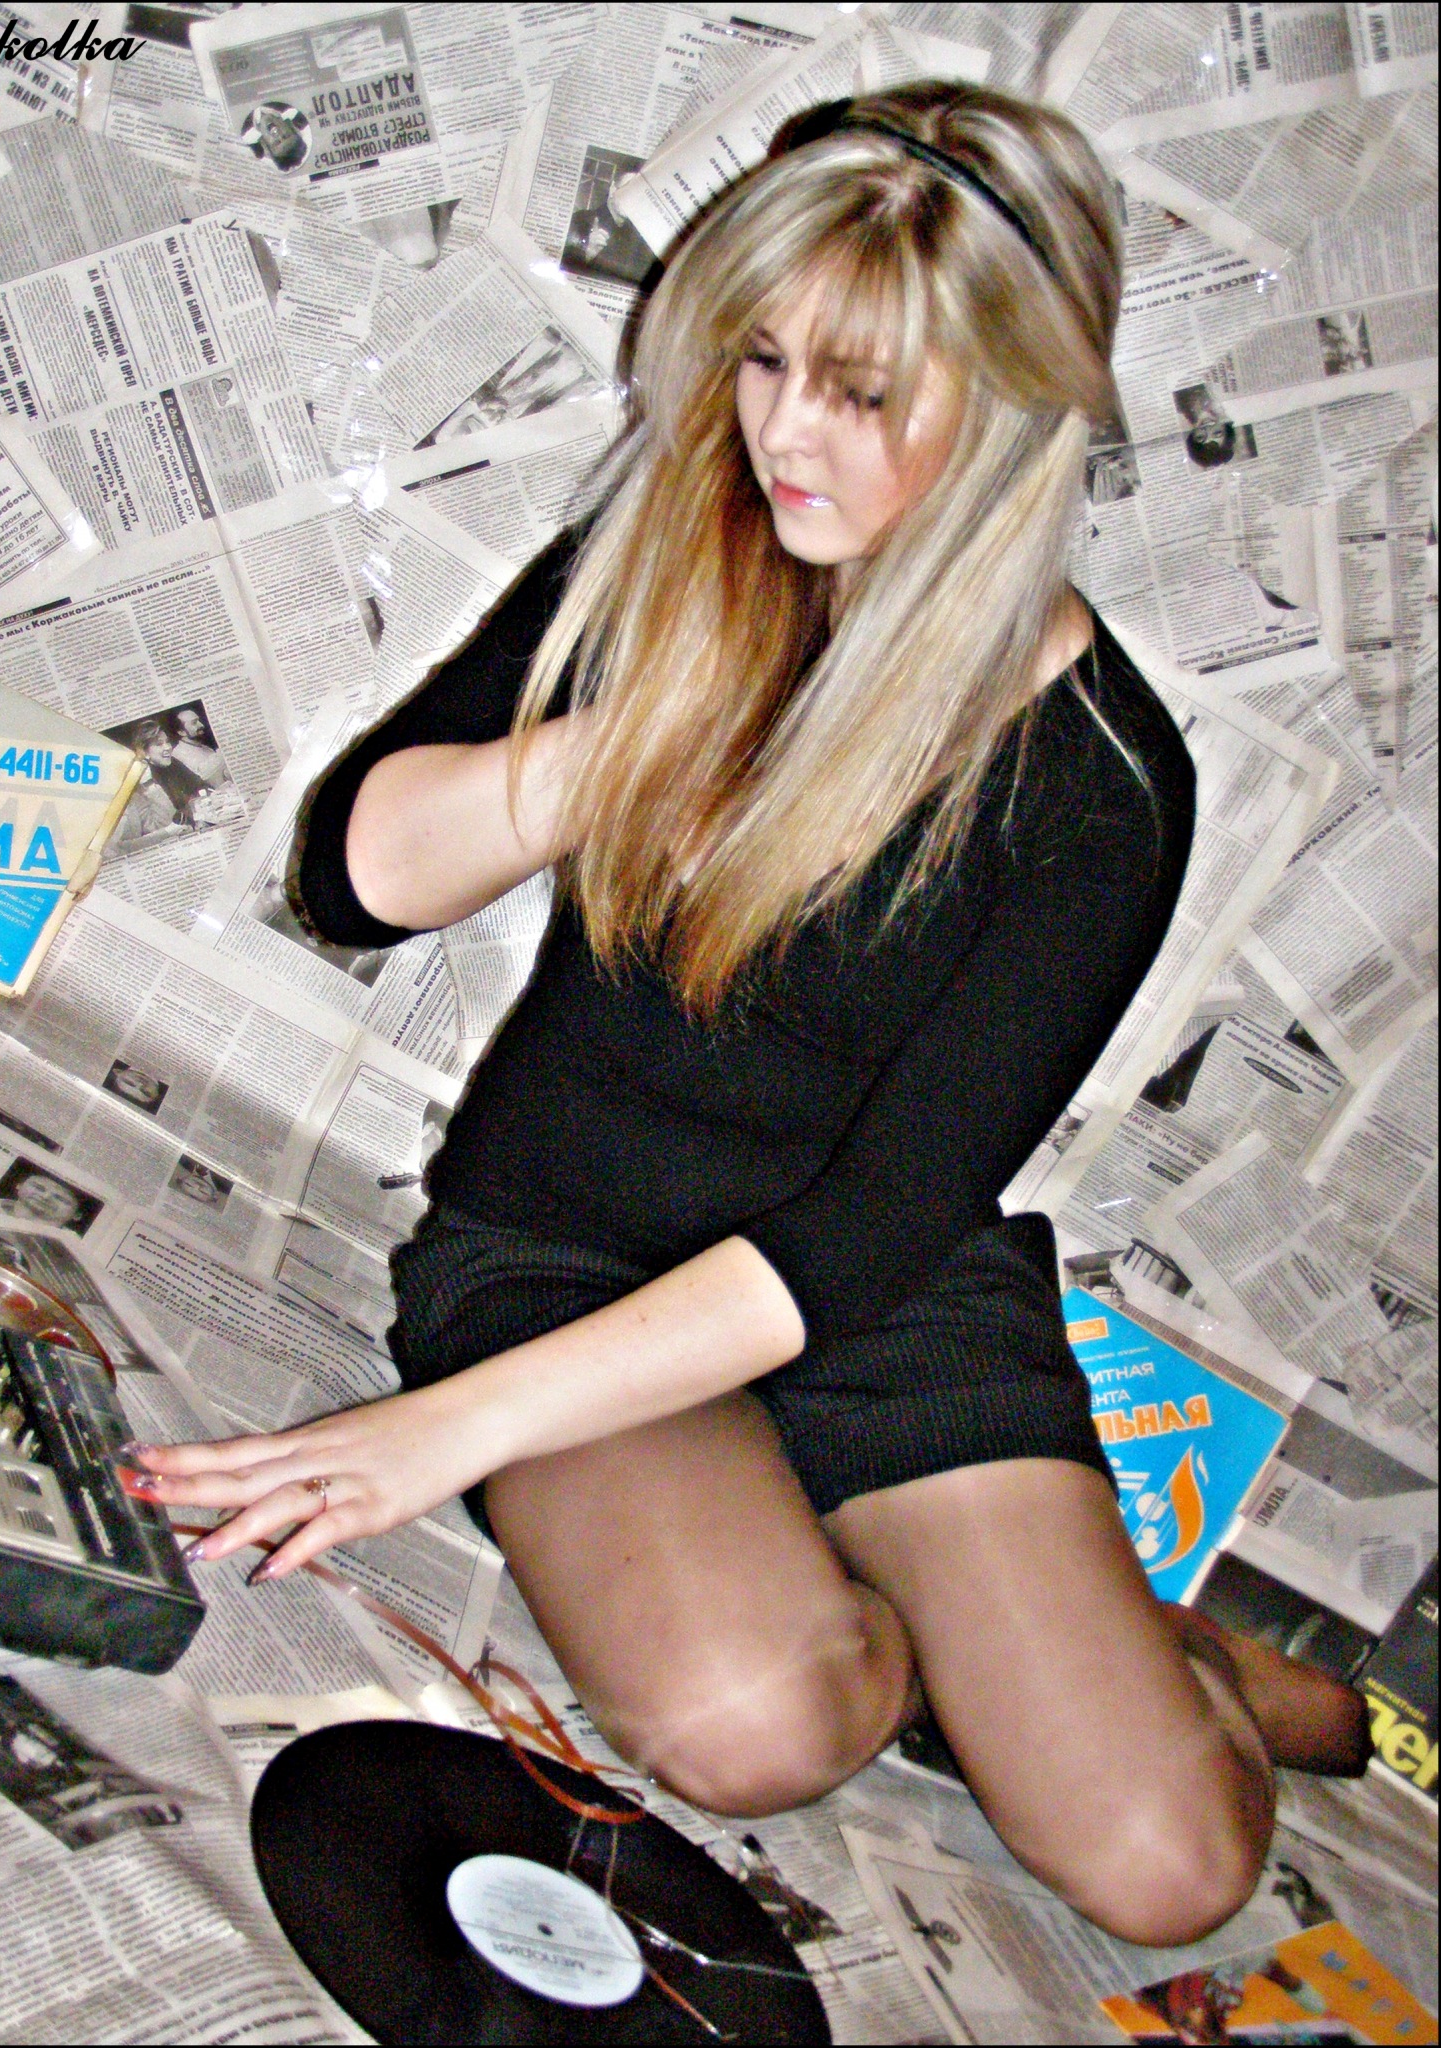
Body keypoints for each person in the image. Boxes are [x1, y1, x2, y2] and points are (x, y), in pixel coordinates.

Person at [123, 83, 1371, 1944]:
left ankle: (1155, 1662)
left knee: (1166, 1871)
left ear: (1013, 406)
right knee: (755, 1726)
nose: (782, 429)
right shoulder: (679, 553)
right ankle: (927, 1641)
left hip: (879, 1300)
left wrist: (437, 1436)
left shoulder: (1103, 782)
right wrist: (656, 724)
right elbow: (356, 878)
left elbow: (870, 1227)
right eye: (765, 359)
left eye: (859, 392)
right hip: (571, 1254)